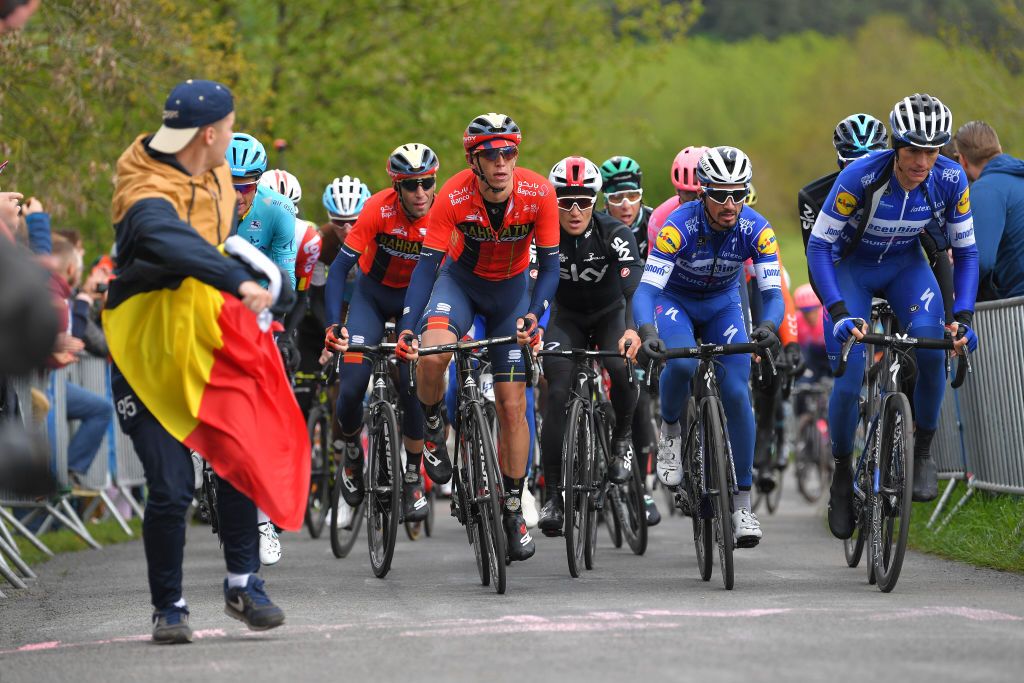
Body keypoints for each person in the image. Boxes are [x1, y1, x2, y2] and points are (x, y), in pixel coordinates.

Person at [105, 79, 284, 644]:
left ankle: (243, 582)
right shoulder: (140, 184)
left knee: (237, 458)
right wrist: (234, 276)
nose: (231, 139)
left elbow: (225, 242)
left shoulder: (217, 176)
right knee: (172, 485)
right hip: (146, 353)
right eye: (229, 129)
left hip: (202, 343)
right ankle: (169, 606)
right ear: (209, 134)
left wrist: (266, 282)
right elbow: (170, 242)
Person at [807, 93, 979, 538]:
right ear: (896, 147)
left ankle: (921, 450)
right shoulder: (860, 176)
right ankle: (843, 473)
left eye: (932, 150)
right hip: (853, 271)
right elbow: (820, 246)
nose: (922, 160)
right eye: (913, 151)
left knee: (930, 347)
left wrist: (962, 316)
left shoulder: (951, 178)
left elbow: (965, 250)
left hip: (907, 268)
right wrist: (839, 310)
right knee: (848, 379)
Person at [396, 113, 560, 562]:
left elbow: (549, 268)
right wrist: (410, 325)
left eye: (509, 152)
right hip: (460, 286)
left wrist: (534, 315)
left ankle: (511, 506)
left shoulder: (538, 193)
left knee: (512, 407)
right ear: (474, 159)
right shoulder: (452, 194)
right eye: (491, 154)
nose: (502, 162)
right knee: (431, 356)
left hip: (510, 297)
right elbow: (427, 267)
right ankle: (433, 425)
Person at [635, 146, 784, 547]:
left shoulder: (757, 228)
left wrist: (770, 326)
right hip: (675, 303)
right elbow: (646, 291)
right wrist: (649, 332)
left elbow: (773, 294)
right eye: (720, 194)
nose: (730, 203)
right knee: (681, 365)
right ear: (703, 193)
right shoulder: (677, 226)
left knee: (737, 391)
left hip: (723, 307)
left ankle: (741, 504)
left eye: (738, 193)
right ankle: (670, 431)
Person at [322, 143, 439, 525]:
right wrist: (332, 325)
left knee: (411, 386)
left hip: (415, 301)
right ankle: (353, 456)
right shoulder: (377, 208)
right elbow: (339, 271)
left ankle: (411, 476)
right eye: (411, 186)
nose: (420, 193)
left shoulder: (443, 213)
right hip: (372, 299)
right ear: (397, 187)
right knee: (352, 383)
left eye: (427, 183)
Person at [535, 156, 644, 533]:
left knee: (620, 366)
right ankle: (552, 497)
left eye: (583, 201)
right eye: (565, 201)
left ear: (596, 202)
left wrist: (633, 330)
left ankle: (622, 438)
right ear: (554, 203)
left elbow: (634, 291)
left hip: (611, 313)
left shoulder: (615, 232)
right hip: (567, 319)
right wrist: (533, 328)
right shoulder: (543, 236)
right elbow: (532, 291)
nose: (575, 210)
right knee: (557, 392)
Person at [598, 155, 661, 524]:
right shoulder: (597, 224)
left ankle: (644, 487)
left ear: (641, 195)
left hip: (645, 304)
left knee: (638, 397)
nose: (624, 204)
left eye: (632, 195)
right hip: (605, 307)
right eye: (616, 197)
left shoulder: (655, 222)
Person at [953, 120, 1024, 300]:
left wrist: (948, 285)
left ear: (962, 160)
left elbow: (981, 261)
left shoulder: (985, 189)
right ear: (998, 148)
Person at [226, 133, 298, 289]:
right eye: (230, 186)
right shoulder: (201, 203)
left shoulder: (280, 209)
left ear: (258, 183)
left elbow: (287, 278)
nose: (238, 196)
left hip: (257, 296)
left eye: (246, 187)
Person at [647, 146, 709, 245]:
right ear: (677, 190)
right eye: (689, 193)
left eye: (704, 193)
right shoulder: (660, 219)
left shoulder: (736, 215)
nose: (697, 202)